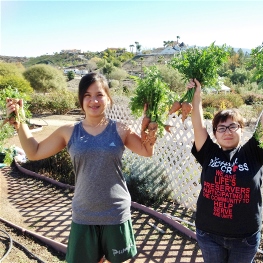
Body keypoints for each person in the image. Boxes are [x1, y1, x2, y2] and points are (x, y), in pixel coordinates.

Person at [6, 72, 157, 263]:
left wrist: (151, 125)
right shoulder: (69, 131)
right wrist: (19, 123)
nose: (94, 100)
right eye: (87, 95)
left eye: (99, 94)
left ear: (108, 99)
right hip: (84, 214)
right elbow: (34, 152)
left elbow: (146, 151)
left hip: (115, 213)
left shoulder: (121, 129)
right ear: (81, 100)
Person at [187, 78, 263, 263]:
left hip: (245, 238)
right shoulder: (208, 153)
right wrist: (196, 97)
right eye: (221, 128)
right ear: (215, 133)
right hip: (209, 234)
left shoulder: (253, 153)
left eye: (233, 126)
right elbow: (198, 125)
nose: (227, 131)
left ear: (242, 130)